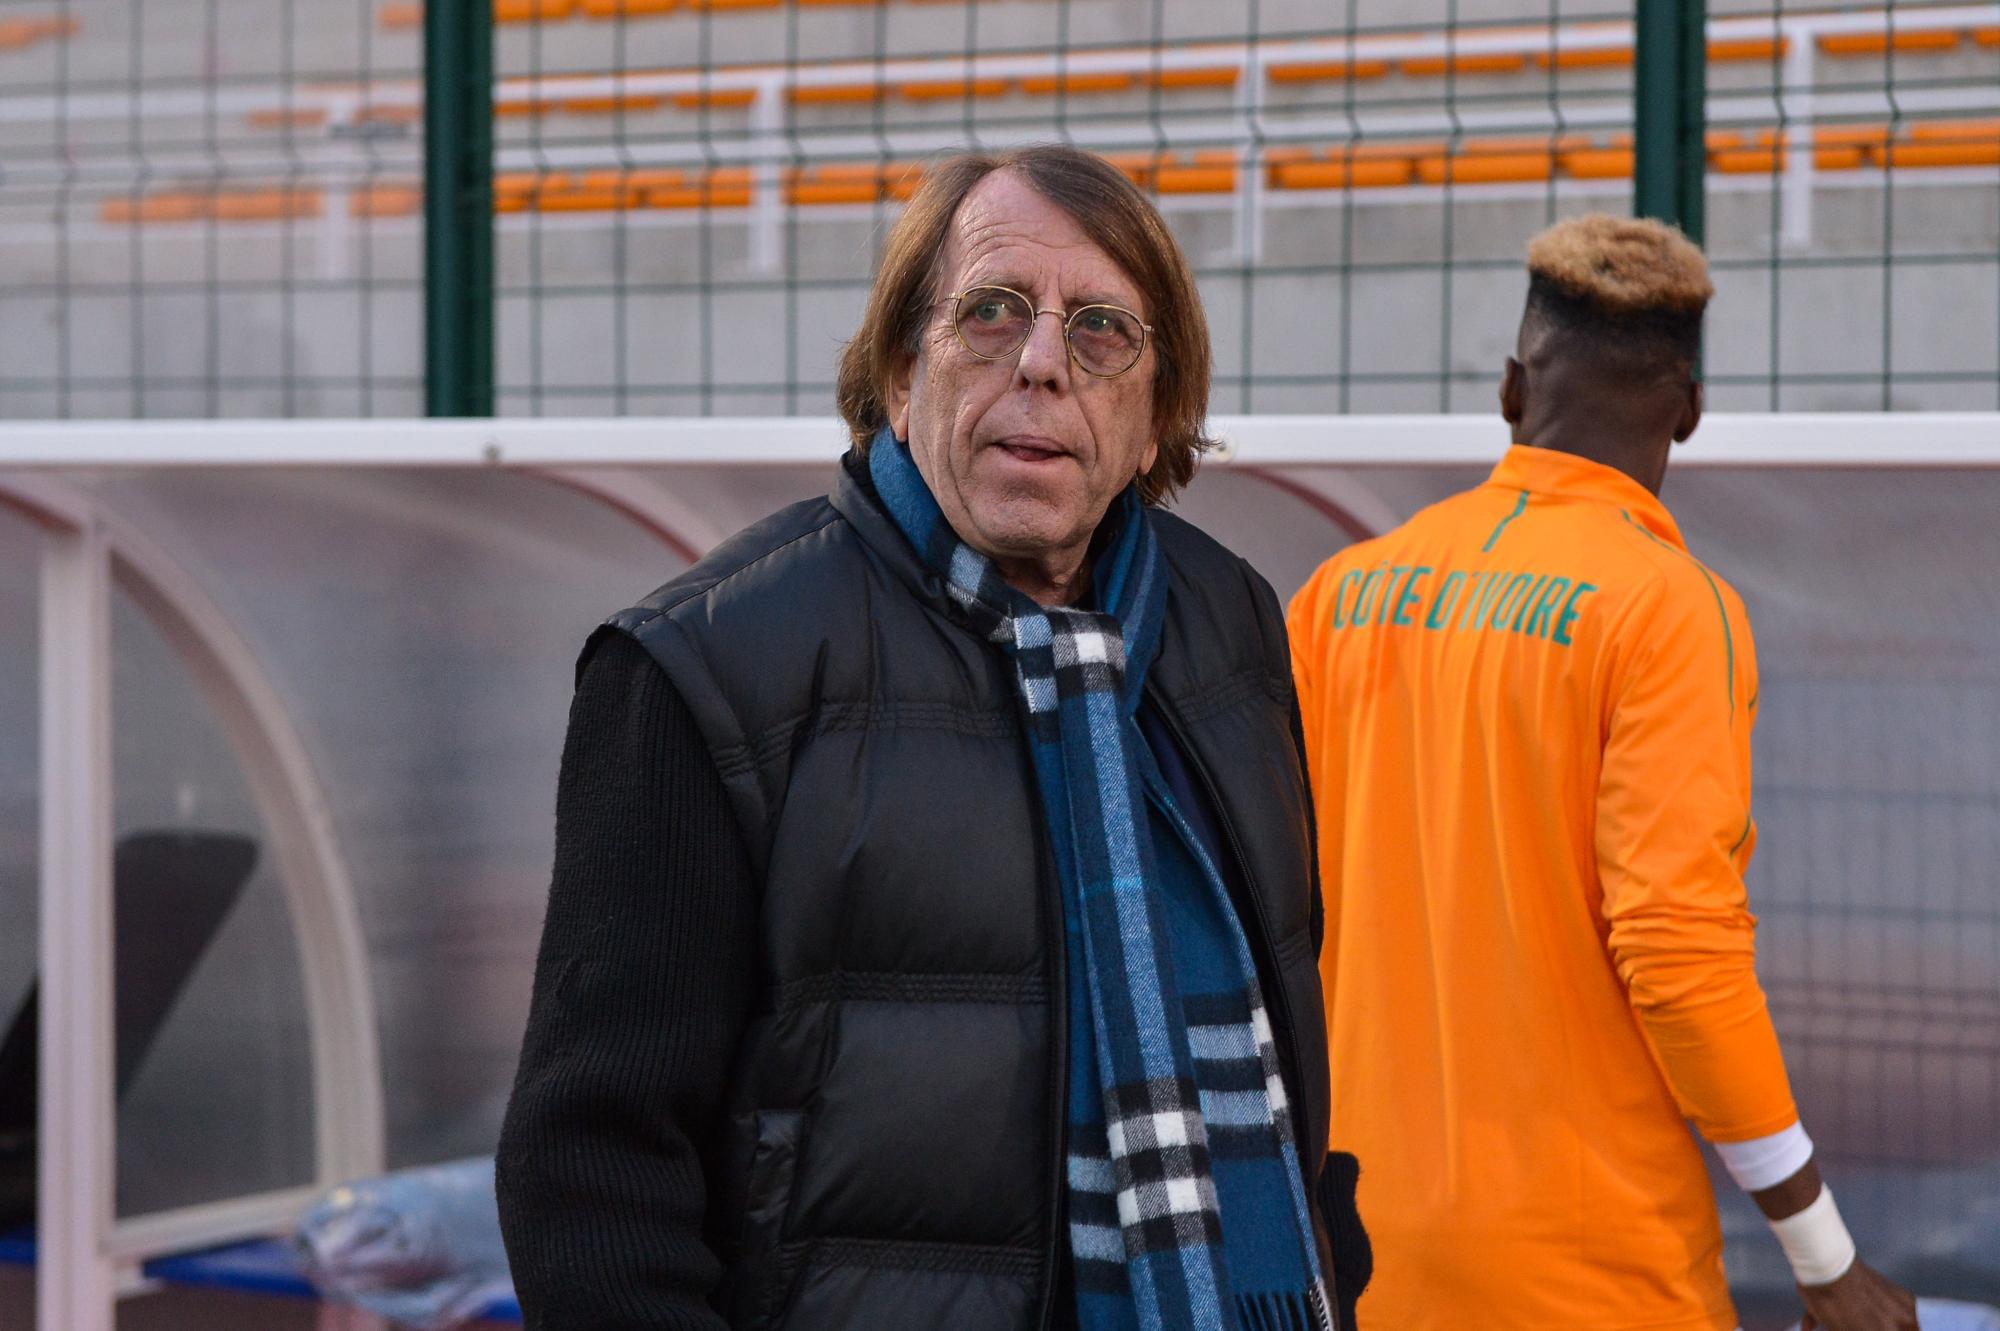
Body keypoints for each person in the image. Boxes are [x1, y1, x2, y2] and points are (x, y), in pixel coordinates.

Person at [497, 145, 1368, 1331]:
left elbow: (1284, 1015)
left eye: (1103, 330)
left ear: (1158, 404)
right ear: (900, 367)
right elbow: (590, 1178)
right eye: (990, 313)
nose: (1044, 363)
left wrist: (1327, 1239)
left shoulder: (1229, 624)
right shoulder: (702, 666)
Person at [1286, 214, 1917, 1331]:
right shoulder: (1670, 612)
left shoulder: (1338, 593)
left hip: (1356, 1249)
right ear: (1684, 409)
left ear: (1509, 389)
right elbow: (1677, 952)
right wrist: (1823, 1254)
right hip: (1588, 1275)